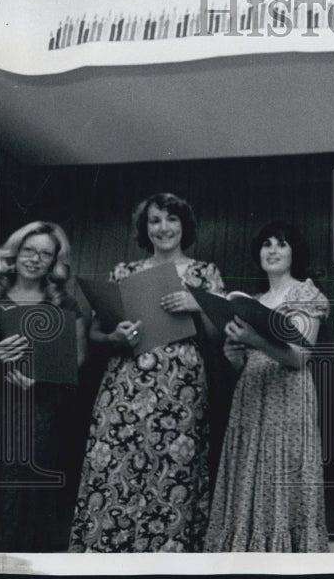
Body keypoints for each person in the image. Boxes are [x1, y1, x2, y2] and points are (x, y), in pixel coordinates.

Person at [69, 193, 225, 552]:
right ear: (145, 228)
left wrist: (197, 304)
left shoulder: (205, 273)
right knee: (113, 465)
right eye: (155, 221)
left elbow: (218, 338)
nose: (164, 228)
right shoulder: (123, 272)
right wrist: (115, 335)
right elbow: (96, 334)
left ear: (184, 226)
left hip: (180, 390)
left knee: (174, 468)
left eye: (171, 219)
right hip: (124, 386)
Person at [0, 221, 87, 552]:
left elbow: (79, 361)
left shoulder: (64, 305)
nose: (35, 258)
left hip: (37, 413)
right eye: (29, 250)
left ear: (54, 263)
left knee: (22, 500)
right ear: (15, 251)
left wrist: (44, 377)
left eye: (45, 254)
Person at [205, 221, 330, 552]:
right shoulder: (254, 300)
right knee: (252, 475)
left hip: (288, 396)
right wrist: (234, 354)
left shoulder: (306, 293)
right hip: (251, 395)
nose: (272, 250)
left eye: (282, 244)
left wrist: (253, 339)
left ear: (294, 253)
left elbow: (300, 357)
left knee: (283, 476)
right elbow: (245, 359)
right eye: (266, 244)